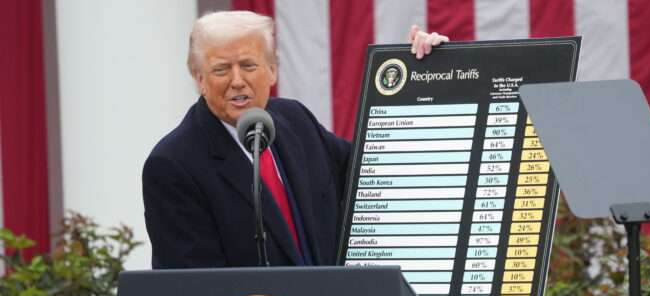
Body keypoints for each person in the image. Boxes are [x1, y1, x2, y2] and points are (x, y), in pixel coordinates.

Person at [143, 11, 448, 269]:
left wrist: (421, 77)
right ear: (199, 79)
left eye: (248, 66)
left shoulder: (295, 121)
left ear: (272, 70)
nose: (237, 80)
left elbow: (377, 174)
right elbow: (190, 290)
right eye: (221, 69)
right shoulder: (172, 166)